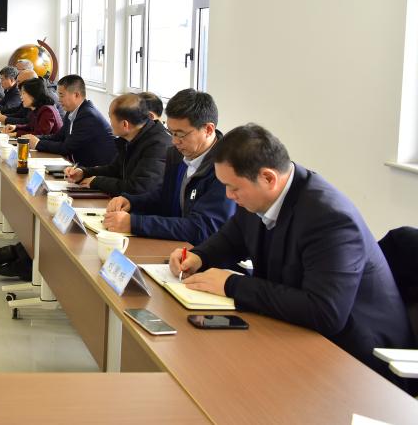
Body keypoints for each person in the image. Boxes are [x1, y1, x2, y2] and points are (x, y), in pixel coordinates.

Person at [170, 124, 413, 382]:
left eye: (234, 188)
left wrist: (232, 285)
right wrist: (199, 256)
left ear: (268, 178)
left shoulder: (330, 219)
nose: (229, 196)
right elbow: (234, 235)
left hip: (359, 358)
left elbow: (325, 312)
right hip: (297, 331)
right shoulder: (260, 195)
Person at [102, 89, 232, 243]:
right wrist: (131, 202)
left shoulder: (226, 169)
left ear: (208, 130)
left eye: (180, 134)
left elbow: (202, 228)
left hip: (201, 253)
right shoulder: (177, 154)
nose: (174, 141)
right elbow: (164, 196)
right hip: (174, 245)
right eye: (171, 133)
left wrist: (135, 224)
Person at [64, 93, 168, 196]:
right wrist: (83, 172)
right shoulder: (131, 137)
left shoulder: (158, 145)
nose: (110, 123)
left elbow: (139, 188)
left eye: (110, 118)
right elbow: (114, 169)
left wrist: (96, 181)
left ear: (124, 124)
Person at [21, 75, 114, 167]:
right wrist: (33, 138)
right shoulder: (71, 111)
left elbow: (67, 148)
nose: (59, 100)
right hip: (79, 166)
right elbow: (58, 137)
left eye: (61, 95)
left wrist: (38, 143)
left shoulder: (88, 115)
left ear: (76, 95)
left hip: (96, 169)